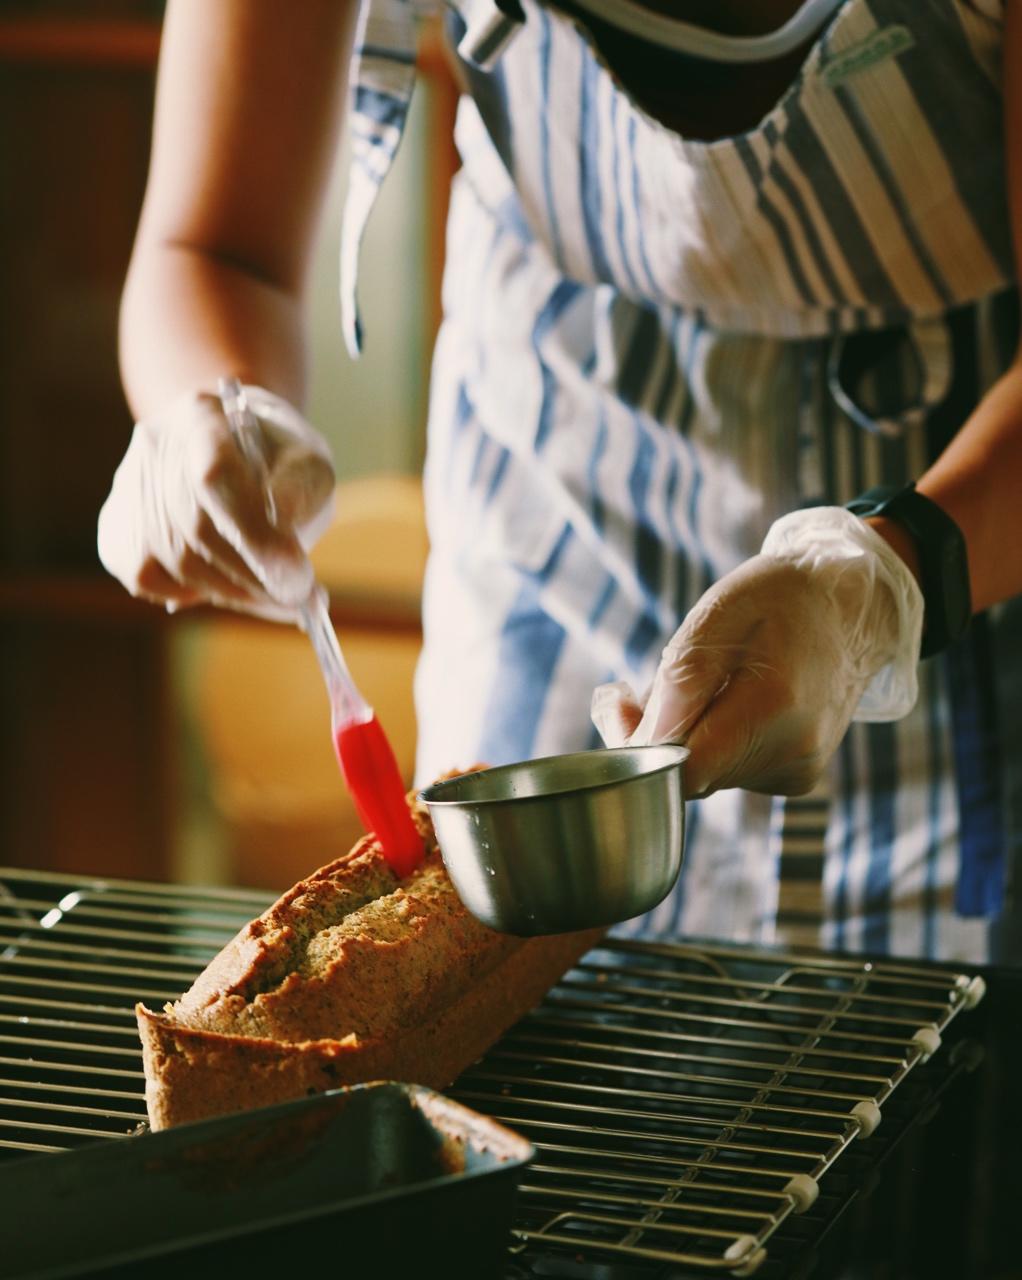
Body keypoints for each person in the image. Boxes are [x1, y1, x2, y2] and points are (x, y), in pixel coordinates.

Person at [98, 0, 1022, 964]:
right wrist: (203, 412)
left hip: (965, 507)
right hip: (555, 466)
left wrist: (880, 586)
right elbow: (214, 249)